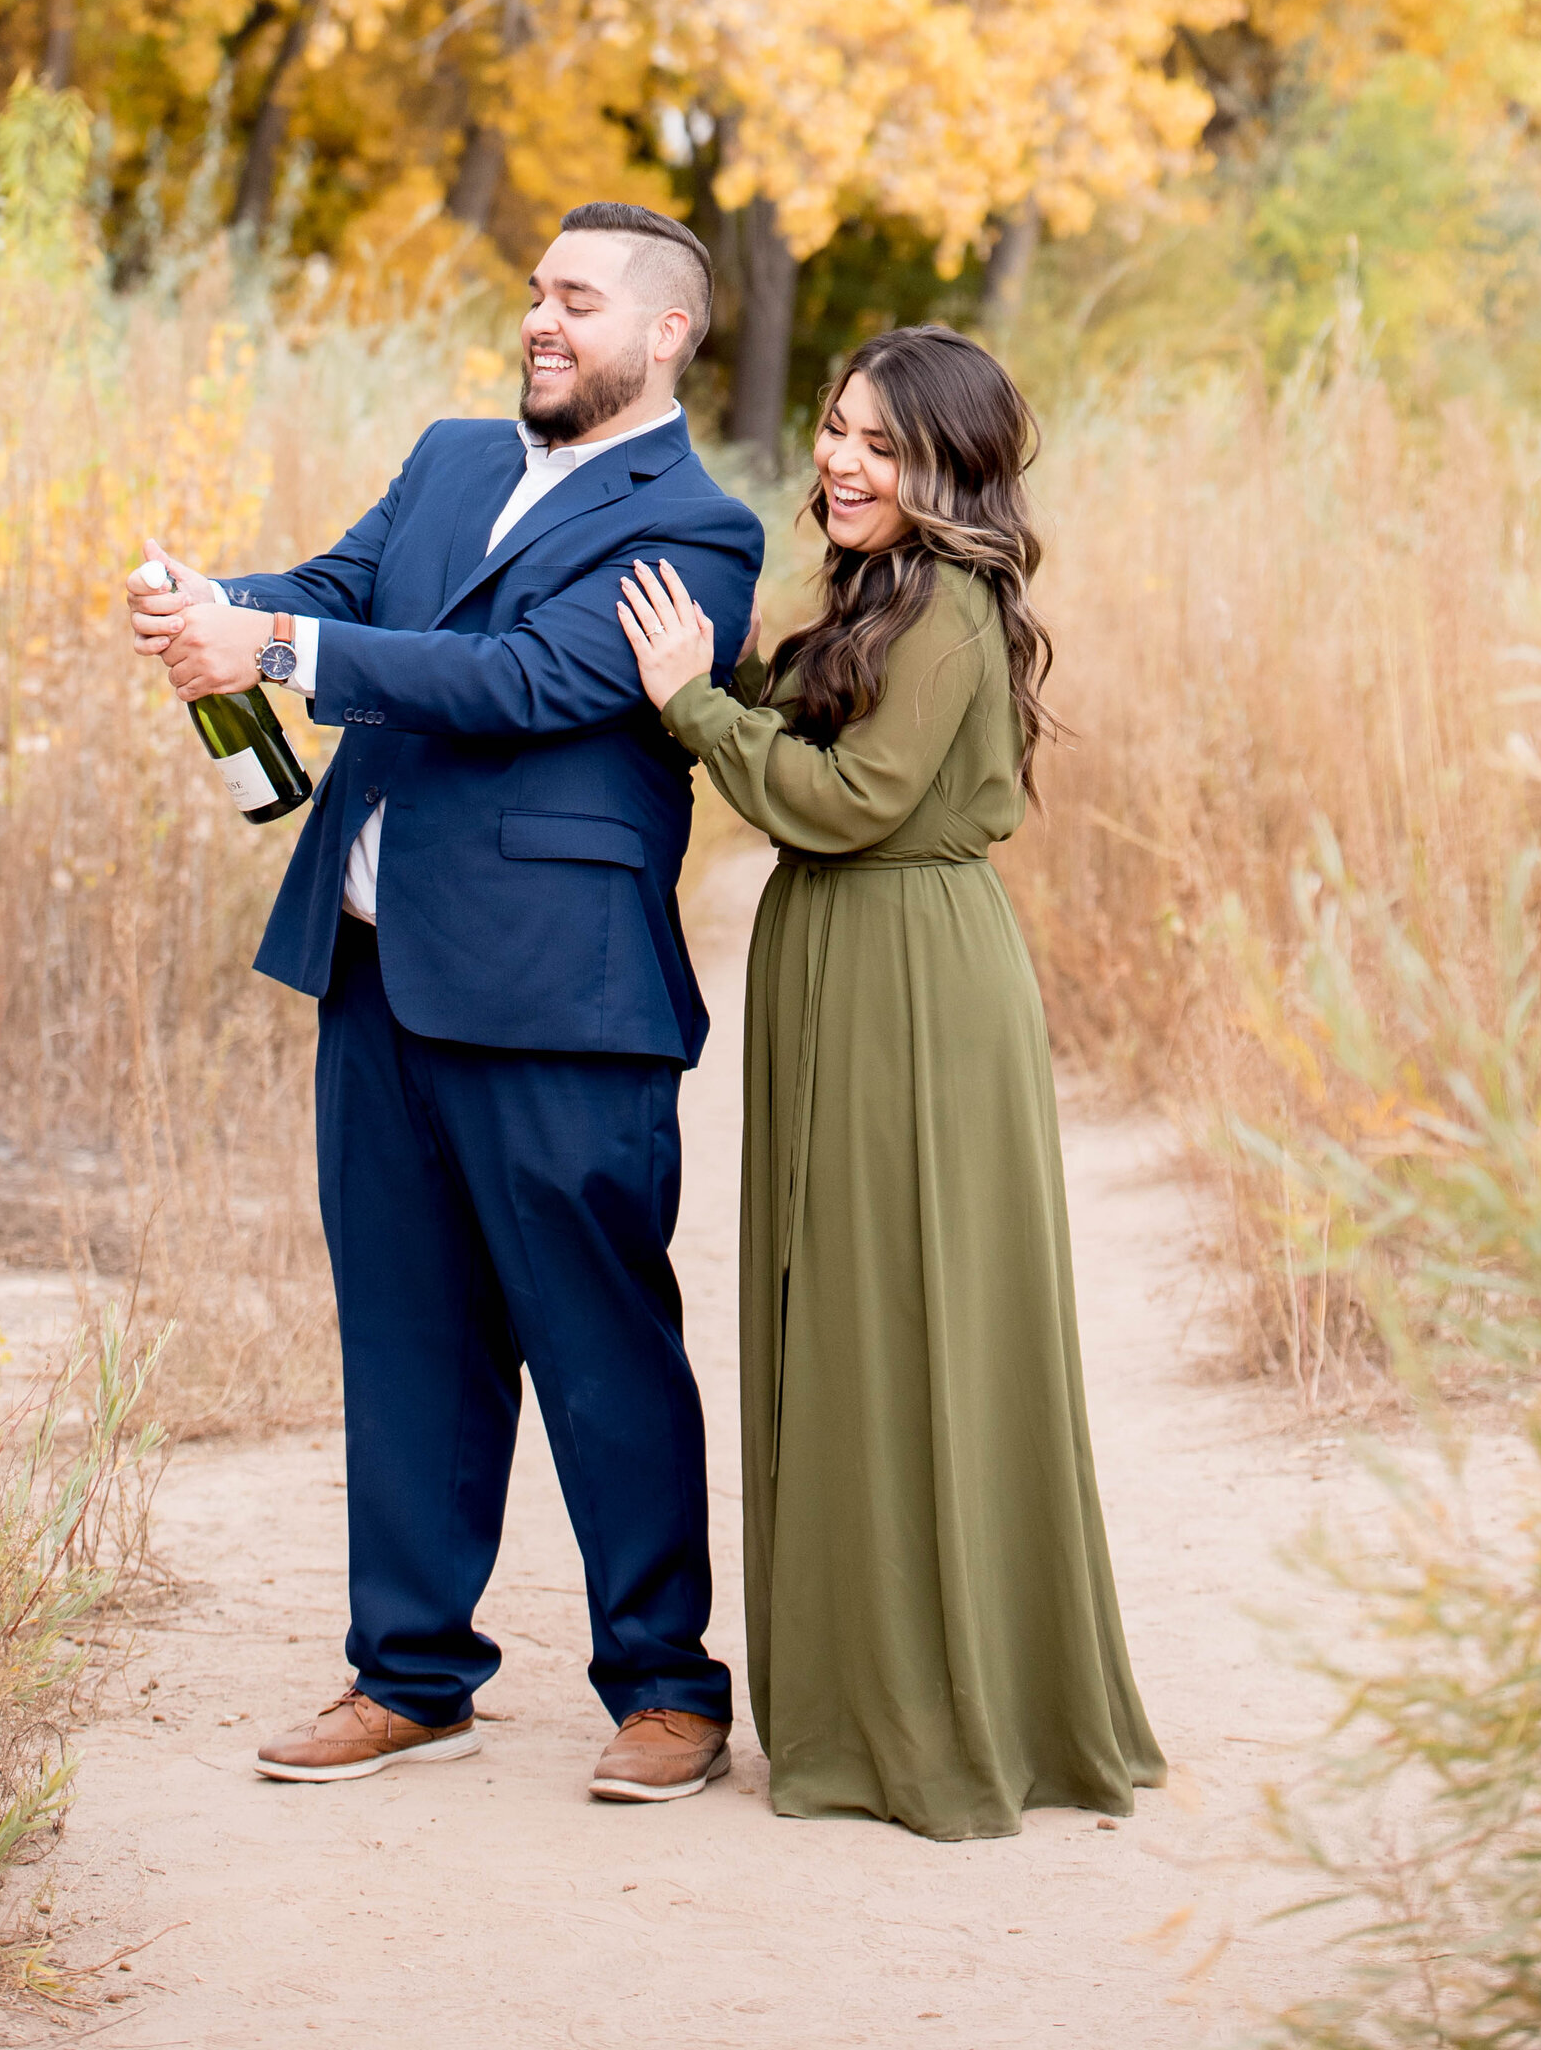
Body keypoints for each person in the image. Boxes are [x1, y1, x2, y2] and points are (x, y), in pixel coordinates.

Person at [129, 203, 763, 1805]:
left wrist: (272, 642)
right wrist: (211, 600)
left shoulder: (698, 527)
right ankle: (411, 1673)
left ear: (668, 332)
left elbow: (529, 682)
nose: (540, 317)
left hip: (562, 1001)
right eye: (533, 290)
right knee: (405, 1337)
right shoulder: (449, 454)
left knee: (602, 1342)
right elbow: (344, 586)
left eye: (577, 297)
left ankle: (670, 1688)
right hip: (375, 980)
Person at [616, 320, 1163, 1842]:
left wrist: (689, 701)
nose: (844, 462)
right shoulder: (884, 591)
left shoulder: (953, 608)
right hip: (847, 966)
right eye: (839, 431)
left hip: (913, 982)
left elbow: (850, 800)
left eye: (883, 442)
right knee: (841, 1309)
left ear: (950, 466)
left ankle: (932, 1711)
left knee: (905, 1310)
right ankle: (863, 1691)